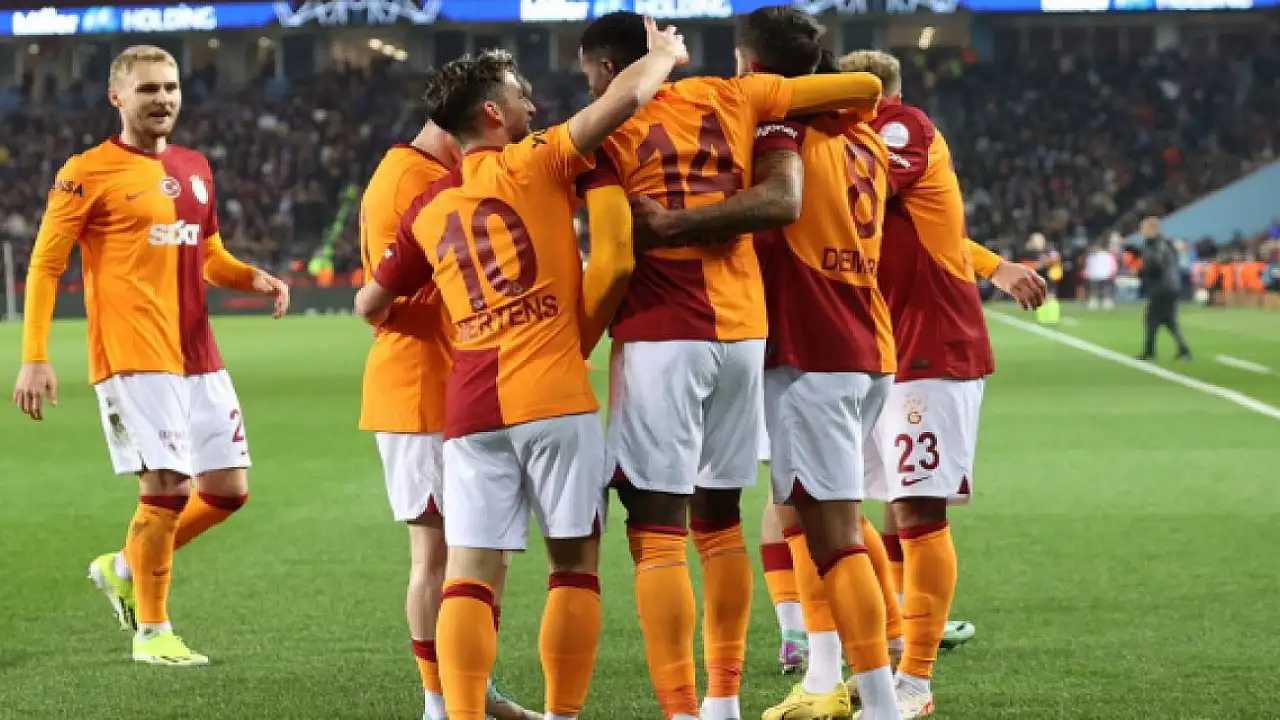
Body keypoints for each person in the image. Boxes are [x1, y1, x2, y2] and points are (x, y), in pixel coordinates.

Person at [354, 25, 688, 720]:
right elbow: (622, 103)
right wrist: (662, 56)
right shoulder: (540, 160)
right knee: (573, 566)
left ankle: (459, 713)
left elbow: (369, 303)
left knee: (468, 576)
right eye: (521, 97)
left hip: (471, 410)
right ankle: (561, 715)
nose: (532, 108)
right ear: (491, 113)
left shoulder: (426, 205)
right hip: (553, 396)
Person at [629, 9, 902, 718]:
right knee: (815, 519)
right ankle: (829, 675)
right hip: (867, 342)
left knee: (834, 538)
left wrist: (673, 224)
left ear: (752, 68)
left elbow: (779, 200)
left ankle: (881, 702)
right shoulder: (863, 133)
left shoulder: (783, 128)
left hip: (814, 350)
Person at [11, 45, 290, 667]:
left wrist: (252, 278)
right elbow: (46, 264)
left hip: (197, 352)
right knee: (167, 487)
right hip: (133, 352)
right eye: (147, 89)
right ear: (117, 97)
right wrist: (34, 356)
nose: (162, 98)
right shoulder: (87, 171)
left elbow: (208, 253)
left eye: (170, 86)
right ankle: (153, 631)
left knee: (227, 490)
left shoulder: (195, 166)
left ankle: (121, 567)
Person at [840, 48, 1044, 718]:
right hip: (882, 346)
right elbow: (938, 225)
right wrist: (994, 265)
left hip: (931, 345)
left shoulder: (902, 128)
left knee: (919, 510)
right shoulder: (859, 140)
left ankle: (916, 681)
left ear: (870, 93)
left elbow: (861, 193)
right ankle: (897, 638)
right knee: (870, 503)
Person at [355, 112, 537, 720]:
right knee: (436, 555)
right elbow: (392, 296)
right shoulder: (411, 177)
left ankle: (472, 690)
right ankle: (440, 702)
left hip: (459, 382)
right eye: (514, 103)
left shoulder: (427, 172)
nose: (524, 117)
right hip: (421, 385)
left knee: (486, 552)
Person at [1137, 216, 1192, 361]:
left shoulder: (1157, 244)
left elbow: (1157, 264)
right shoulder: (1163, 242)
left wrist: (1142, 272)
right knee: (1168, 320)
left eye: (1143, 228)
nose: (1141, 231)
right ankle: (1184, 351)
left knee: (1152, 319)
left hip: (1162, 286)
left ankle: (1150, 353)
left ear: (1152, 229)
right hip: (1170, 285)